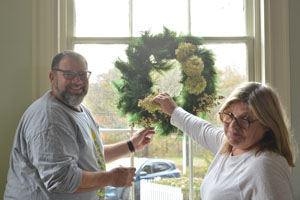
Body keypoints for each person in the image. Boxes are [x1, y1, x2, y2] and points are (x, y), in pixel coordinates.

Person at [4, 50, 155, 200]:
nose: (77, 81)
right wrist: (110, 178)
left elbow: (91, 157)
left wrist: (131, 145)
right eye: (69, 74)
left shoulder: (81, 110)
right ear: (52, 77)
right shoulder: (49, 118)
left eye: (83, 75)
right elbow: (62, 179)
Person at [153, 82, 296, 200]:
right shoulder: (229, 147)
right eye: (230, 115)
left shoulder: (265, 166)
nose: (233, 125)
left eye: (245, 119)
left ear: (267, 124)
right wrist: (173, 110)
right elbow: (202, 129)